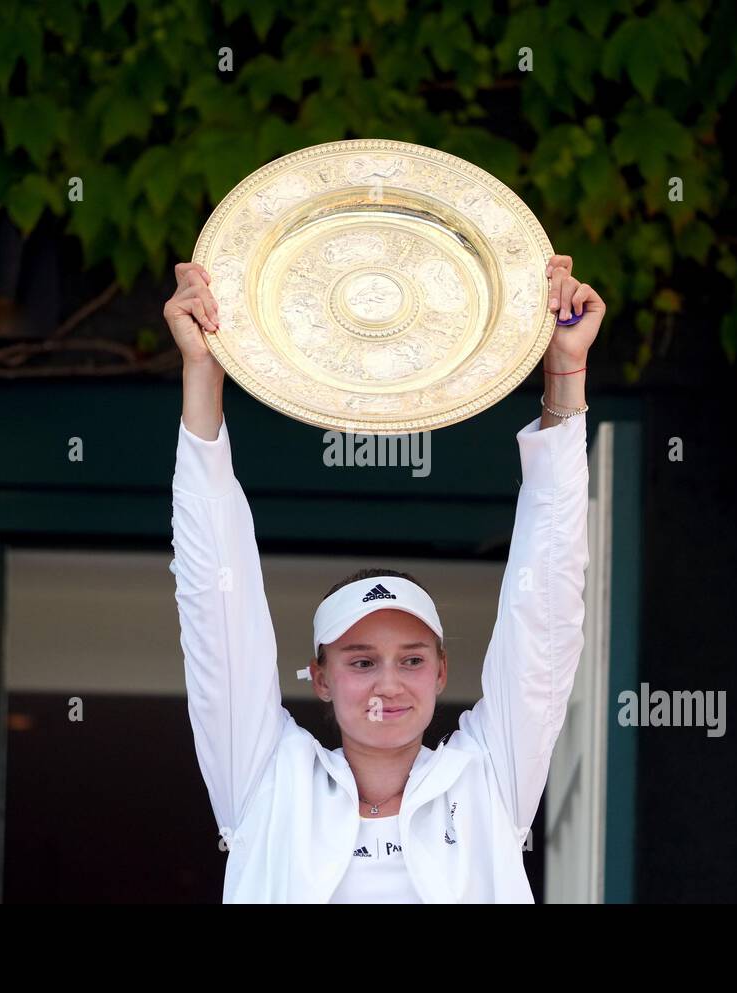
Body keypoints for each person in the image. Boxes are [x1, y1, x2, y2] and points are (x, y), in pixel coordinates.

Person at [165, 254, 604, 902]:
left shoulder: (484, 782)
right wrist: (201, 371)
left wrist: (565, 371)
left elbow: (547, 605)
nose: (390, 683)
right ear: (319, 676)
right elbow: (213, 605)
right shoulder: (270, 781)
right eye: (362, 660)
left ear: (441, 671)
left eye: (411, 658)